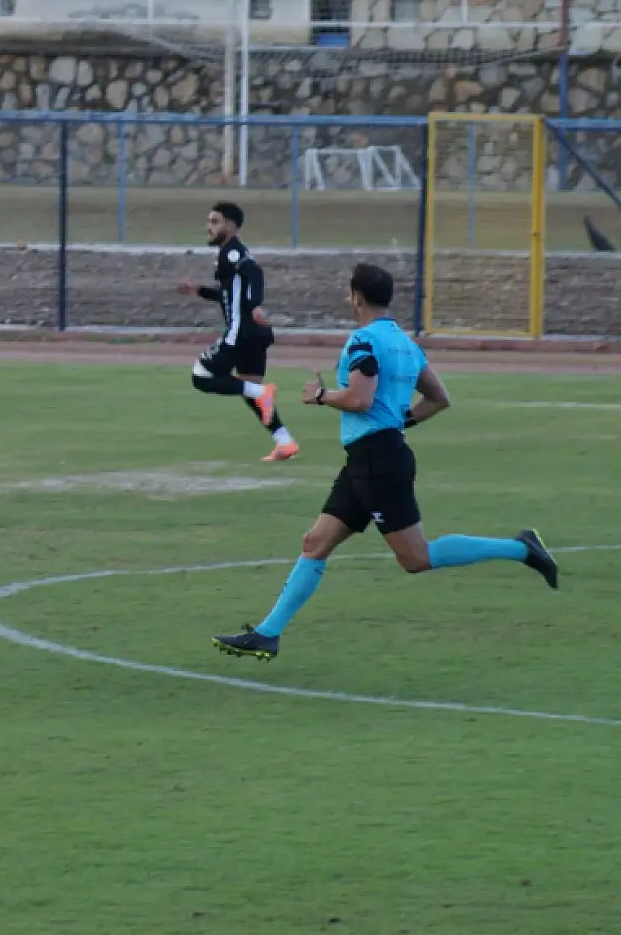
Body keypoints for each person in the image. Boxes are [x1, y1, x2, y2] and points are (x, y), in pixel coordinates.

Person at [212, 262, 559, 662]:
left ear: (356, 296)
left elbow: (360, 399)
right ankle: (268, 634)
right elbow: (439, 399)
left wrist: (321, 396)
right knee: (315, 542)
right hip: (370, 457)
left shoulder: (364, 340)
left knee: (416, 558)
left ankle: (521, 548)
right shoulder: (404, 343)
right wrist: (396, 422)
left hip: (377, 461)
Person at [177, 202, 298, 462]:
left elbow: (254, 272)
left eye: (215, 222)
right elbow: (227, 294)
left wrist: (254, 305)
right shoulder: (232, 253)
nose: (209, 227)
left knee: (201, 375)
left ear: (231, 226)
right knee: (250, 390)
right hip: (256, 334)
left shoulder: (231, 251)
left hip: (241, 333)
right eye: (209, 222)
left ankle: (264, 395)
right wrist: (199, 290)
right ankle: (284, 442)